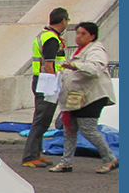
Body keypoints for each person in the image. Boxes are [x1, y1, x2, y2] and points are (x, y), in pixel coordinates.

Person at [49, 21, 118, 174]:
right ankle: (66, 162)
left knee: (88, 130)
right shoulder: (82, 50)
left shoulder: (96, 49)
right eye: (77, 32)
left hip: (91, 97)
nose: (78, 36)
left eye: (83, 33)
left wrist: (75, 66)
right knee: (69, 129)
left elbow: (96, 68)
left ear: (92, 36)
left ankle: (110, 158)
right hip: (77, 97)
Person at [22, 7, 70, 168]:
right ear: (63, 20)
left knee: (42, 119)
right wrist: (56, 85)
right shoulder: (51, 39)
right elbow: (49, 65)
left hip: (41, 80)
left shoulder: (44, 35)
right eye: (67, 21)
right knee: (42, 120)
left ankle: (36, 153)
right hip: (48, 82)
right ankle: (30, 156)